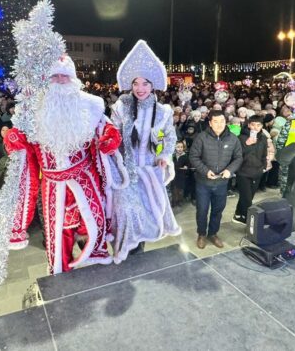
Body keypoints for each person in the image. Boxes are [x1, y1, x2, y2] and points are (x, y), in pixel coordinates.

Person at [0, 52, 122, 275]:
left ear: (73, 78)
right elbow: (24, 143)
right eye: (54, 76)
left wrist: (110, 136)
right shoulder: (33, 109)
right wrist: (14, 138)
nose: (60, 80)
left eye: (64, 76)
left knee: (94, 223)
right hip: (53, 184)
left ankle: (97, 265)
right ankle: (60, 274)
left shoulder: (90, 104)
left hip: (85, 178)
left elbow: (104, 127)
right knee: (58, 233)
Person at [109, 40, 181, 262]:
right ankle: (125, 254)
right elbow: (111, 138)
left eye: (145, 83)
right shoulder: (120, 107)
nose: (140, 88)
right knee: (127, 215)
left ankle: (137, 258)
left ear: (153, 85)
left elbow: (169, 137)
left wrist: (163, 156)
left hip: (149, 173)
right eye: (136, 83)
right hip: (125, 174)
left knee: (147, 217)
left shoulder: (163, 112)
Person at [189, 110, 243, 249]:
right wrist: (205, 171)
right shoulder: (201, 137)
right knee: (202, 210)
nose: (219, 124)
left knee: (218, 210)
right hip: (203, 183)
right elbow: (193, 157)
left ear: (226, 122)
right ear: (210, 123)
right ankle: (201, 234)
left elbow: (238, 158)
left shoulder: (232, 138)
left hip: (222, 183)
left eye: (222, 121)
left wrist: (229, 171)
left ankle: (213, 233)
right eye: (216, 122)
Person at [233, 116, 270, 224]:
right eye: (253, 124)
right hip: (243, 172)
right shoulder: (240, 138)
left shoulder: (263, 138)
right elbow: (237, 155)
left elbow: (264, 154)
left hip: (257, 171)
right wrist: (246, 144)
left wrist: (263, 166)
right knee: (247, 199)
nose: (255, 127)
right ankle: (250, 221)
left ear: (262, 126)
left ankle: (238, 215)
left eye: (258, 125)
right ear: (249, 125)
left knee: (248, 196)